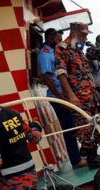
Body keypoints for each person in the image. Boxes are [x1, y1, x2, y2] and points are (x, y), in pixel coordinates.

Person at [55, 22, 100, 169]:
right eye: (83, 34)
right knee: (85, 127)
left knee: (95, 125)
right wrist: (71, 96)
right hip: (79, 97)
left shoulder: (78, 49)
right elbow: (61, 73)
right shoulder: (62, 48)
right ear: (74, 31)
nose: (84, 37)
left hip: (91, 96)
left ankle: (94, 154)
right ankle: (91, 158)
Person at [37, 28, 86, 168]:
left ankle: (81, 152)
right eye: (58, 39)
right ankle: (76, 161)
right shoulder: (45, 54)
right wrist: (61, 97)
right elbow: (46, 77)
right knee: (69, 128)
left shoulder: (55, 51)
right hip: (57, 96)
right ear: (50, 38)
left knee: (75, 125)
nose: (60, 42)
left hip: (64, 95)